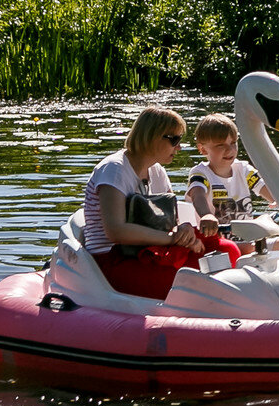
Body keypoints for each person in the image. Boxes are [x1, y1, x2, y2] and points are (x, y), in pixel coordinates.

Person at [81, 107, 229, 300]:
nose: (179, 147)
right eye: (174, 140)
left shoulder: (157, 171)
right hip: (111, 258)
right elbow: (115, 231)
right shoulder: (114, 170)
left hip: (149, 250)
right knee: (184, 282)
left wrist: (184, 232)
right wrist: (171, 239)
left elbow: (169, 221)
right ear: (152, 136)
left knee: (227, 249)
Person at [186, 112, 270, 225]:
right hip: (216, 239)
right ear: (203, 149)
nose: (230, 150)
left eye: (233, 143)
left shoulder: (243, 169)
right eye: (220, 145)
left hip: (247, 237)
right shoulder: (200, 173)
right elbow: (197, 195)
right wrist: (207, 215)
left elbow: (264, 188)